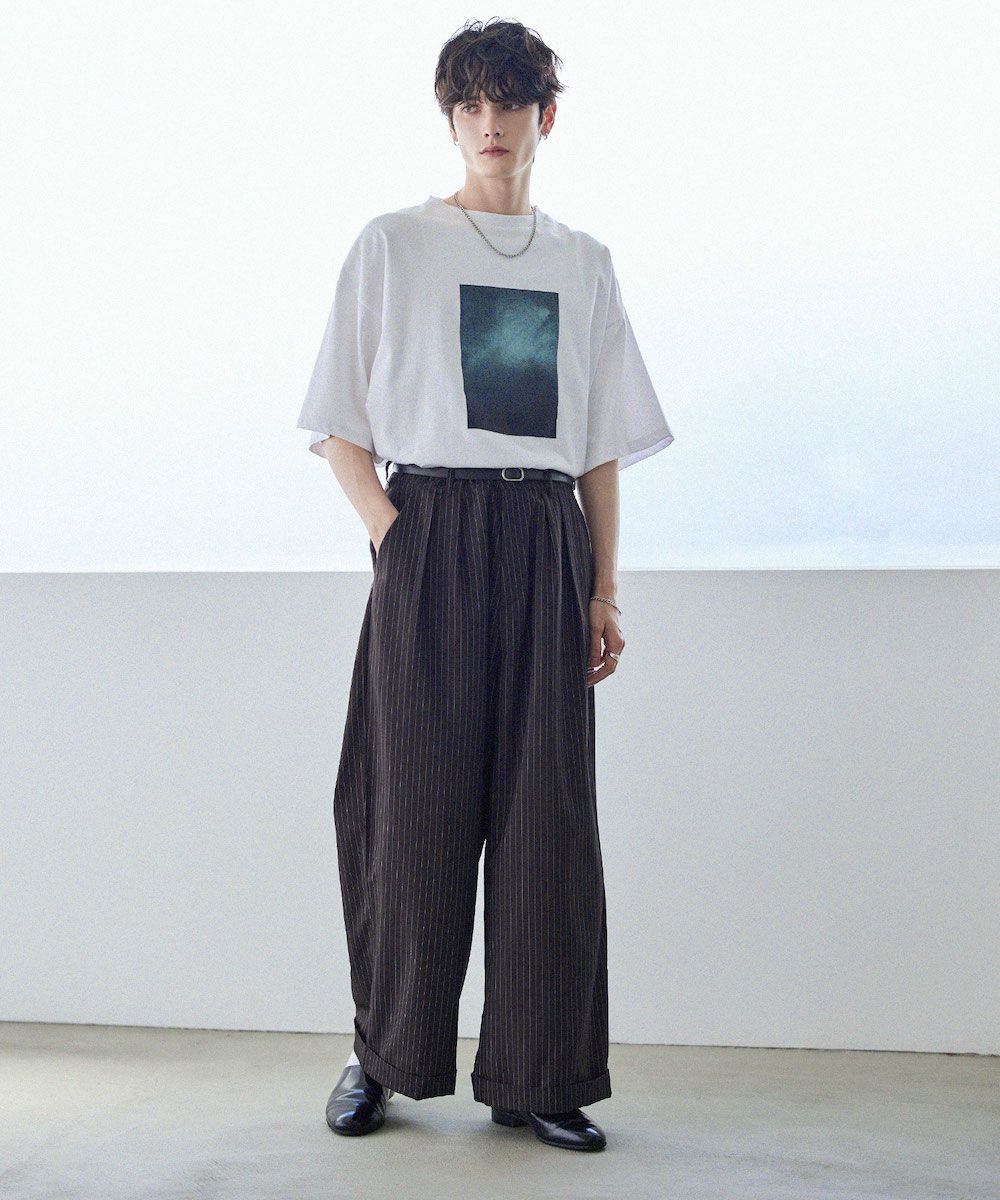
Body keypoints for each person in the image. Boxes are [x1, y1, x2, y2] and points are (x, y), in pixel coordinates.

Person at [297, 18, 673, 1153]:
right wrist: (392, 534)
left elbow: (598, 448)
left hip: (544, 535)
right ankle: (384, 1056)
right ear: (450, 118)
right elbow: (336, 423)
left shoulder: (582, 262)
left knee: (546, 818)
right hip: (431, 531)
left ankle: (539, 1073)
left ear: (545, 116)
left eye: (510, 102)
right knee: (408, 811)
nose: (491, 123)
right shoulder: (394, 246)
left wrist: (603, 589)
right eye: (470, 104)